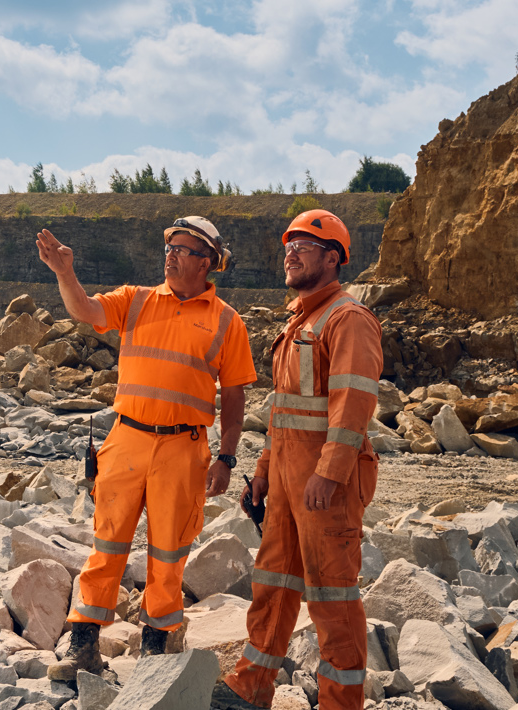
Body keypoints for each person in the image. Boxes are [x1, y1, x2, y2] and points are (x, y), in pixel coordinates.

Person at [36, 216, 258, 681]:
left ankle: (154, 655)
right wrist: (64, 273)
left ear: (207, 263)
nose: (170, 255)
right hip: (127, 438)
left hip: (185, 447)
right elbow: (86, 311)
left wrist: (227, 457)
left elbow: (235, 395)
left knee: (169, 555)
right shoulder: (135, 300)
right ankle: (84, 646)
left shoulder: (226, 321)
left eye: (181, 249)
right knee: (106, 546)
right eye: (169, 247)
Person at [215, 209, 383, 710]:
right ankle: (251, 685)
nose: (290, 253)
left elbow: (353, 402)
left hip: (323, 485)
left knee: (331, 596)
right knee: (272, 582)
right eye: (288, 246)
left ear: (332, 259)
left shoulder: (347, 318)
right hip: (287, 482)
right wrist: (264, 472)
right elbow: (284, 411)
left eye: (304, 246)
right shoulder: (299, 322)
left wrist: (329, 473)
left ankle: (340, 703)